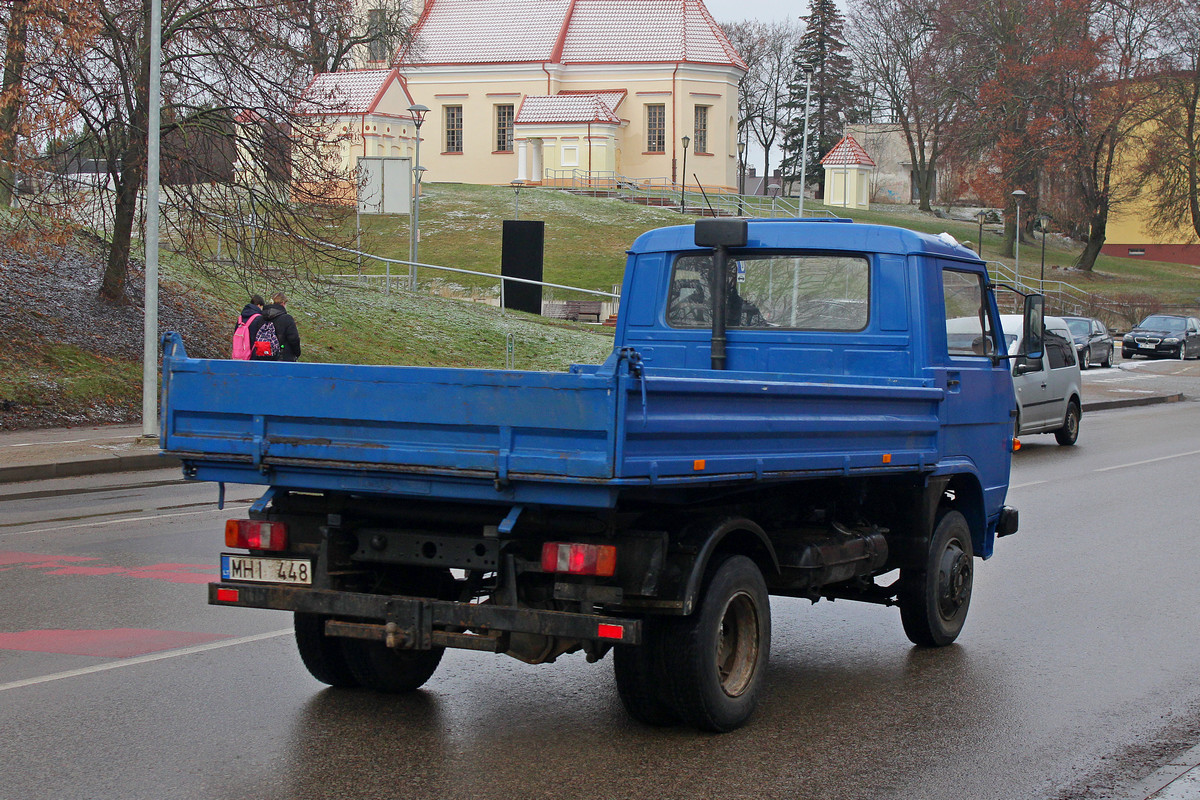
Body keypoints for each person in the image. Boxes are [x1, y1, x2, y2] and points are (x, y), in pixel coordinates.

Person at [261, 292, 301, 362]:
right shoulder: (286, 319)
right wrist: (297, 353)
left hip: (263, 356)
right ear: (283, 303)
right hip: (283, 358)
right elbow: (294, 339)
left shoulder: (262, 317)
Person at [231, 294, 265, 359]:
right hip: (252, 354)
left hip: (238, 353)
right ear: (259, 305)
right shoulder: (259, 318)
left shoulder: (240, 318)